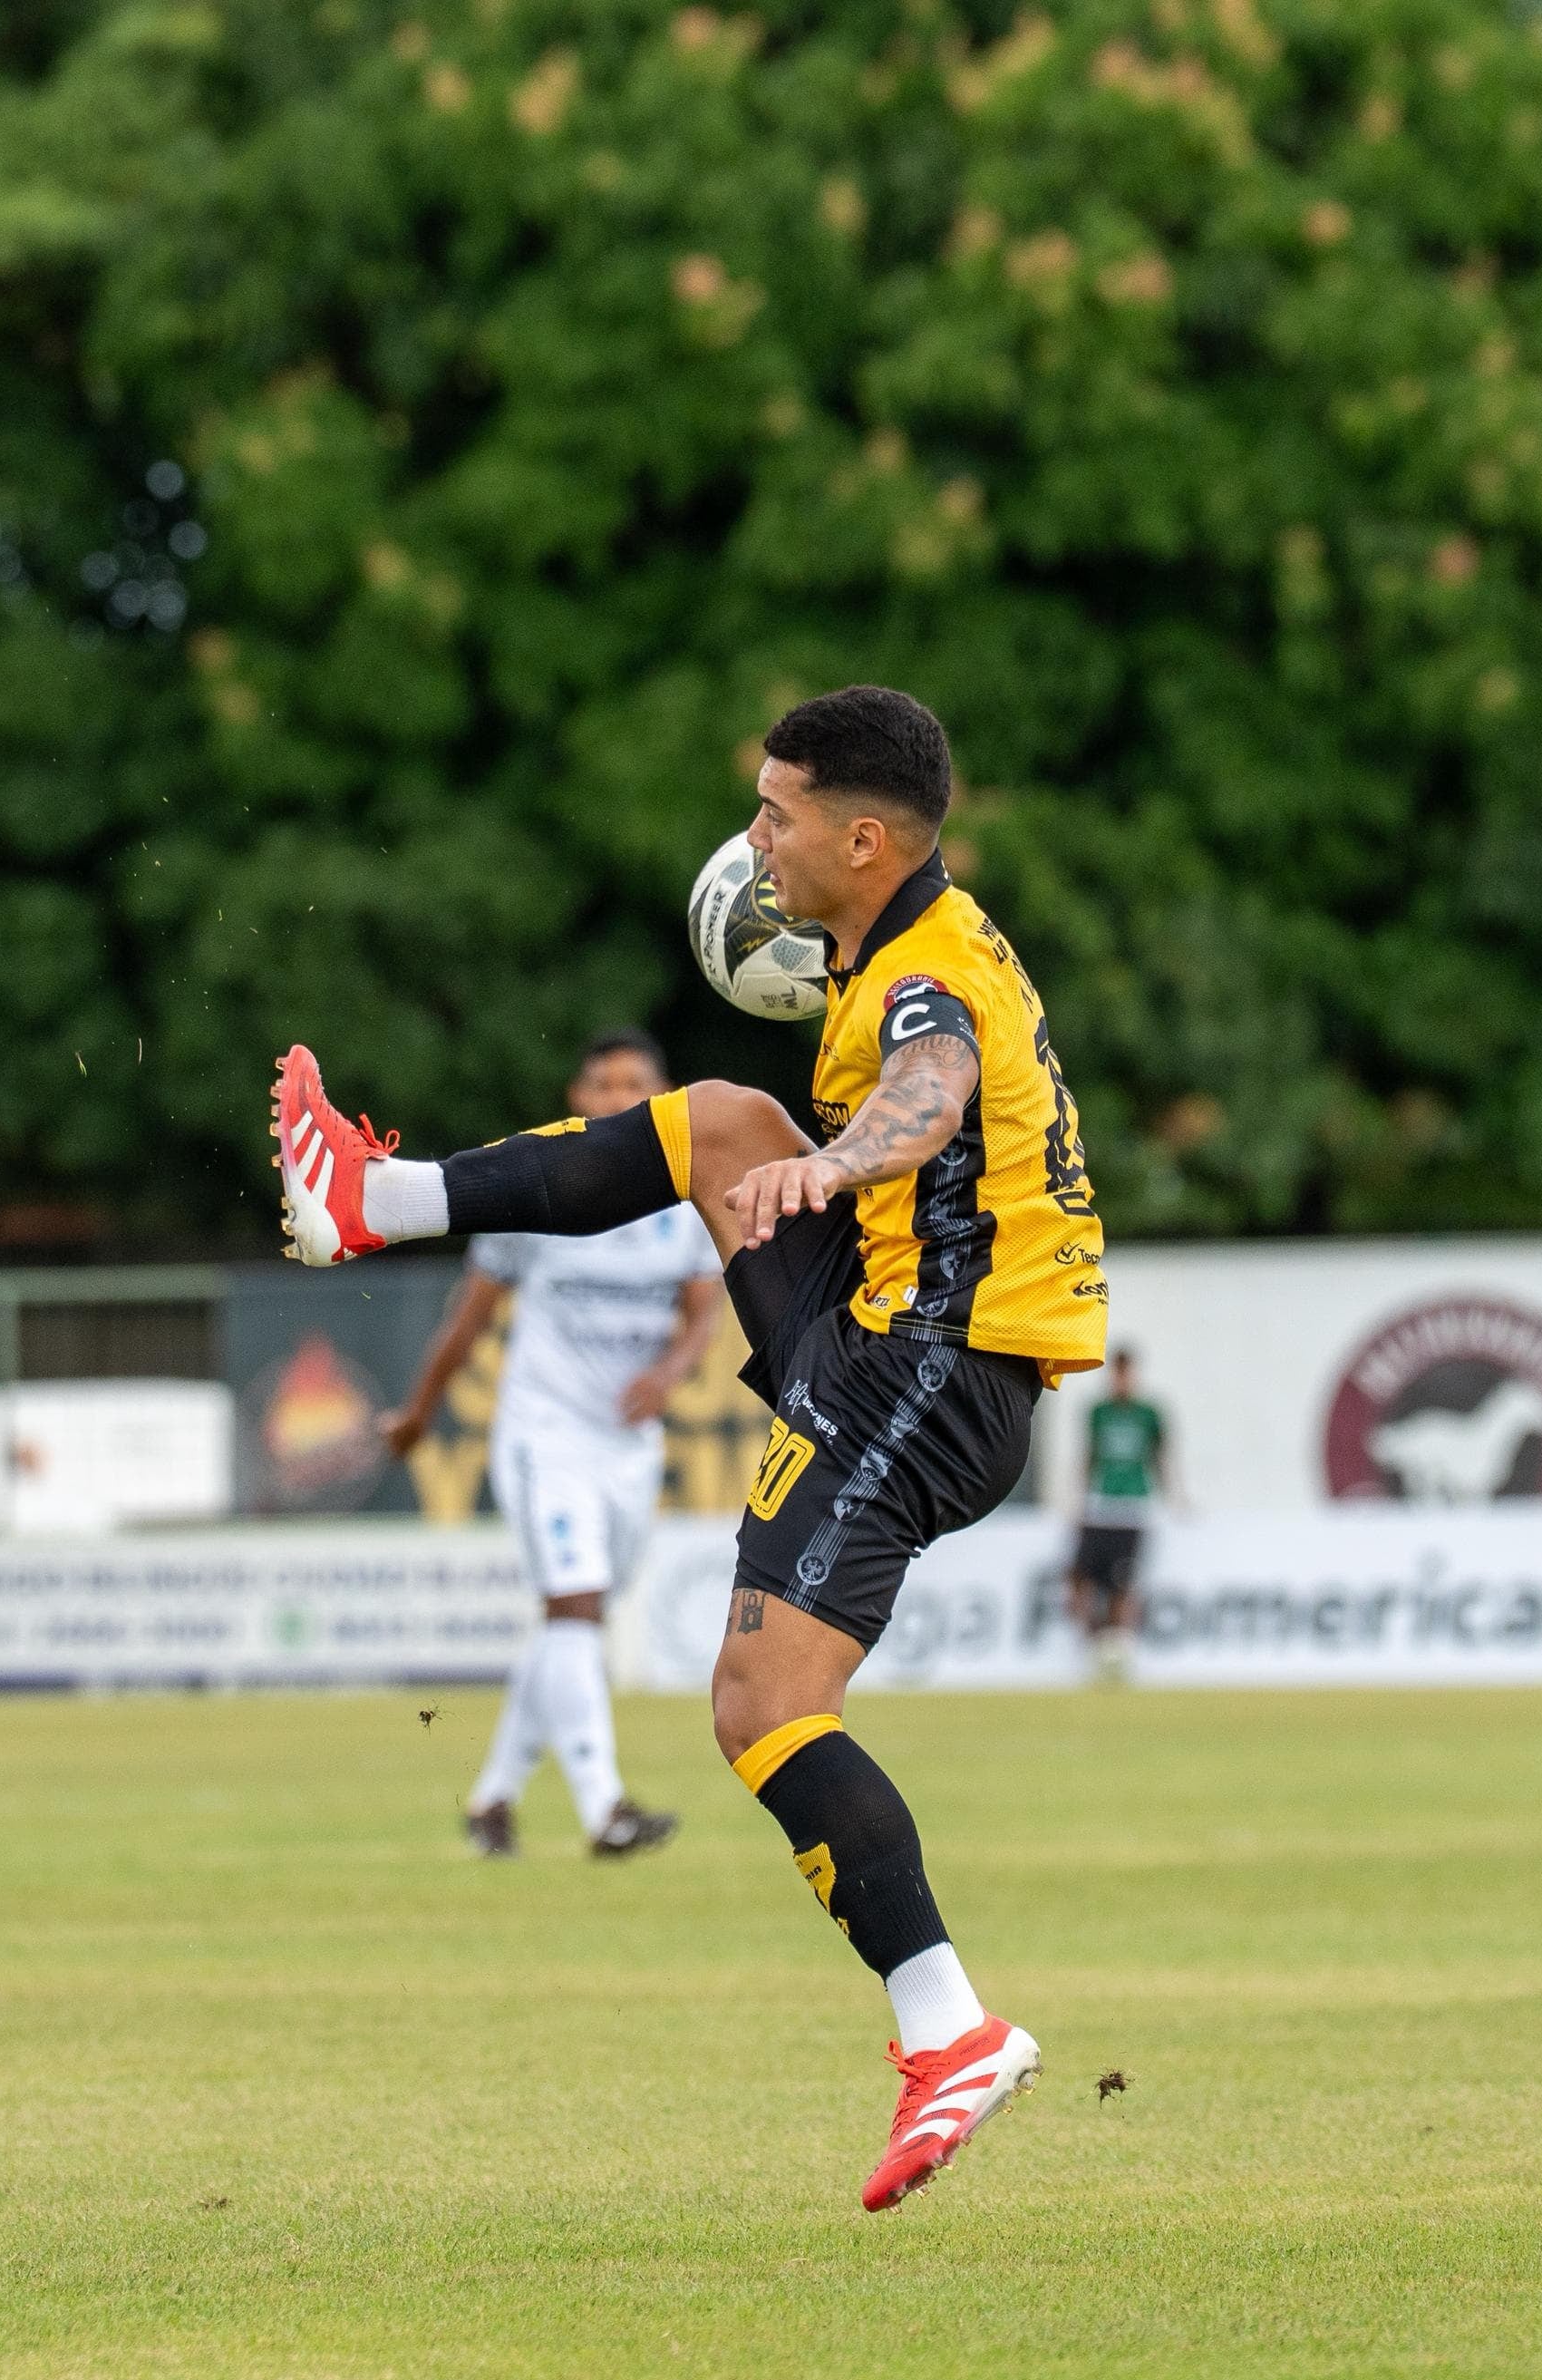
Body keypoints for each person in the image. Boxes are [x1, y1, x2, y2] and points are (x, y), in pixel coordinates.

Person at [273, 685, 1105, 2211]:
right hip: (895, 1341)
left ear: (865, 838)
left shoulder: (922, 982)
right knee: (723, 1120)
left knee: (761, 1704)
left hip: (929, 1366)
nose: (756, 837)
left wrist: (845, 1160)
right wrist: (821, 1167)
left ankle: (954, 2032)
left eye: (779, 812)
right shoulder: (912, 944)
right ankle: (373, 1202)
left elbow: (925, 1096)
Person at [379, 1028, 717, 1860]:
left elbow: (705, 1307)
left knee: (575, 1619)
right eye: (602, 1083)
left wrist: (670, 1373)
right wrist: (418, 1412)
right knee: (573, 1606)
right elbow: (471, 1315)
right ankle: (607, 1811)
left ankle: (492, 1800)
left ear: (663, 1095)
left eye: (635, 1082)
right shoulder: (537, 1189)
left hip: (627, 1446)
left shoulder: (684, 1201)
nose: (617, 1097)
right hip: (545, 1432)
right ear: (578, 1098)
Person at [1063, 1348, 1175, 1677]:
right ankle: (1093, 1647)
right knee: (1079, 1580)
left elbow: (1160, 1458)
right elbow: (1089, 1456)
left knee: (1123, 1587)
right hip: (1100, 1507)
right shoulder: (1098, 1411)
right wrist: (1077, 1499)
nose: (1122, 1379)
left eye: (1126, 1373)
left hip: (1133, 1509)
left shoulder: (1149, 1413)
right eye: (1117, 1373)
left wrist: (1174, 1500)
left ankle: (1120, 1654)